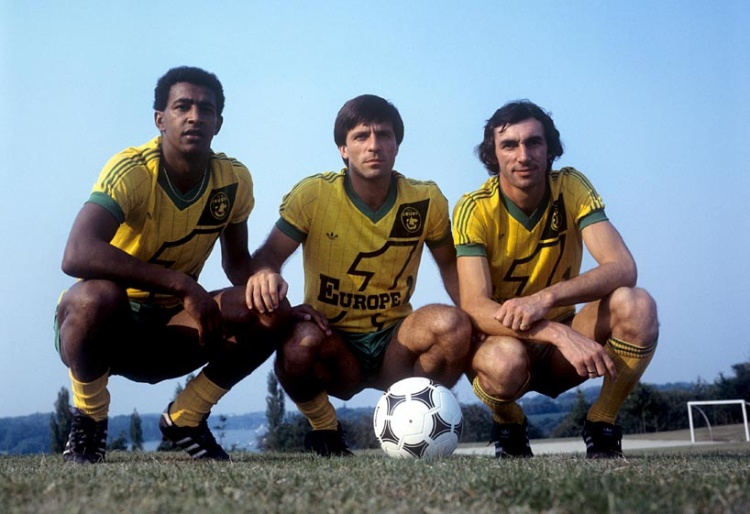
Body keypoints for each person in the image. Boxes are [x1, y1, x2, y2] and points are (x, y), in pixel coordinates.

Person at [55, 66, 292, 463]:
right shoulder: (132, 170)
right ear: (160, 120)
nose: (194, 116)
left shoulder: (233, 180)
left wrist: (269, 284)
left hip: (173, 329)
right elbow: (77, 252)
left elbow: (237, 265)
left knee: (271, 308)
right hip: (110, 328)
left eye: (206, 109)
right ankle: (89, 422)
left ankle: (186, 417)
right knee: (93, 297)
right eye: (182, 106)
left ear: (218, 123)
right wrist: (182, 284)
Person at [245, 94, 472, 456]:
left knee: (454, 325)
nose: (374, 145)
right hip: (335, 342)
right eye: (361, 136)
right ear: (343, 149)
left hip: (395, 343)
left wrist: (476, 318)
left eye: (384, 135)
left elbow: (449, 264)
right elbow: (269, 253)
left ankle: (420, 421)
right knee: (297, 343)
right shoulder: (314, 195)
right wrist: (264, 272)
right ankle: (325, 428)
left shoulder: (425, 199)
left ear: (397, 145)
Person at [453, 100, 659, 459]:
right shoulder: (474, 208)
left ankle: (602, 424)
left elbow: (623, 267)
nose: (523, 155)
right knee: (503, 361)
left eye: (534, 142)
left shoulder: (571, 186)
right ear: (493, 155)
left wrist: (545, 299)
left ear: (549, 148)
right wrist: (555, 332)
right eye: (509, 145)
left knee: (637, 304)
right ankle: (509, 423)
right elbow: (473, 305)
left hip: (565, 352)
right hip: (508, 344)